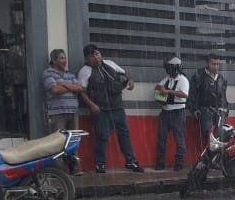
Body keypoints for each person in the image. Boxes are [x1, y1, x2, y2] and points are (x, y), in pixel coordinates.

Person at [77, 44, 143, 174]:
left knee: (124, 134)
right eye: (92, 56)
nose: (96, 58)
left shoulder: (110, 64)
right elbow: (81, 92)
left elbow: (126, 73)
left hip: (117, 107)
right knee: (102, 137)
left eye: (97, 54)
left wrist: (130, 81)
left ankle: (131, 162)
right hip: (100, 110)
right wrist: (92, 105)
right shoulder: (84, 71)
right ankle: (100, 164)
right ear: (87, 58)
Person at [41, 49, 88, 176]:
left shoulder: (70, 75)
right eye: (61, 58)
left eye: (65, 58)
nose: (64, 61)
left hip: (72, 112)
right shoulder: (48, 73)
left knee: (72, 142)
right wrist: (70, 87)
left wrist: (64, 84)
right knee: (57, 143)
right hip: (57, 114)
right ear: (54, 60)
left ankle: (74, 168)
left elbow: (80, 88)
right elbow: (54, 90)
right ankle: (58, 172)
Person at [154, 56, 190, 171]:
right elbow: (158, 86)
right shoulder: (167, 78)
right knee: (161, 138)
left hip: (178, 112)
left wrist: (168, 91)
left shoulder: (183, 80)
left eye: (170, 68)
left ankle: (179, 163)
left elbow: (184, 94)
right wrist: (160, 87)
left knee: (179, 138)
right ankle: (160, 162)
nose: (168, 70)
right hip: (165, 111)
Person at [188, 53, 228, 143]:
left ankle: (216, 157)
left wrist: (226, 109)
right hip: (205, 111)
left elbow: (224, 96)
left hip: (220, 112)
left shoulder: (221, 78)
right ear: (207, 63)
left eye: (217, 64)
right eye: (213, 64)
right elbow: (192, 94)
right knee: (208, 138)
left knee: (220, 138)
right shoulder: (198, 76)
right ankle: (209, 156)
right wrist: (194, 109)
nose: (216, 67)